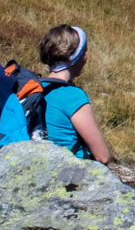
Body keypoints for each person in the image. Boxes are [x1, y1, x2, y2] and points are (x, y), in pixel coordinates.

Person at [38, 25, 111, 164]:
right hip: (69, 176)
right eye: (84, 52)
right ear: (74, 56)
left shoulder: (33, 89)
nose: (86, 58)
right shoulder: (73, 96)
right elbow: (102, 156)